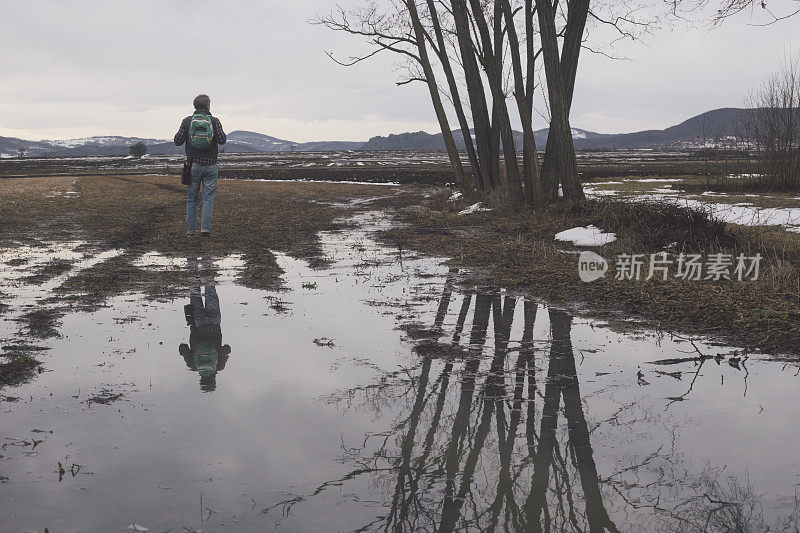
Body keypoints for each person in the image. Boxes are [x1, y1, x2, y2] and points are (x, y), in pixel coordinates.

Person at [174, 94, 227, 237]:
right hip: (211, 165)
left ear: (195, 106)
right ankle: (205, 231)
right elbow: (222, 140)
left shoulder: (187, 121)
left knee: (192, 198)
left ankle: (190, 231)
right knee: (208, 198)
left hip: (193, 165)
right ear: (208, 106)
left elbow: (177, 141)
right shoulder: (215, 121)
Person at [179, 284, 231, 392]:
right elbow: (182, 347)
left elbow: (227, 348)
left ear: (214, 380)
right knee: (194, 294)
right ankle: (193, 269)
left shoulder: (219, 366)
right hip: (197, 325)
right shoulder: (193, 365)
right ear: (201, 380)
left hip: (214, 324)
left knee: (210, 292)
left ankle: (208, 270)